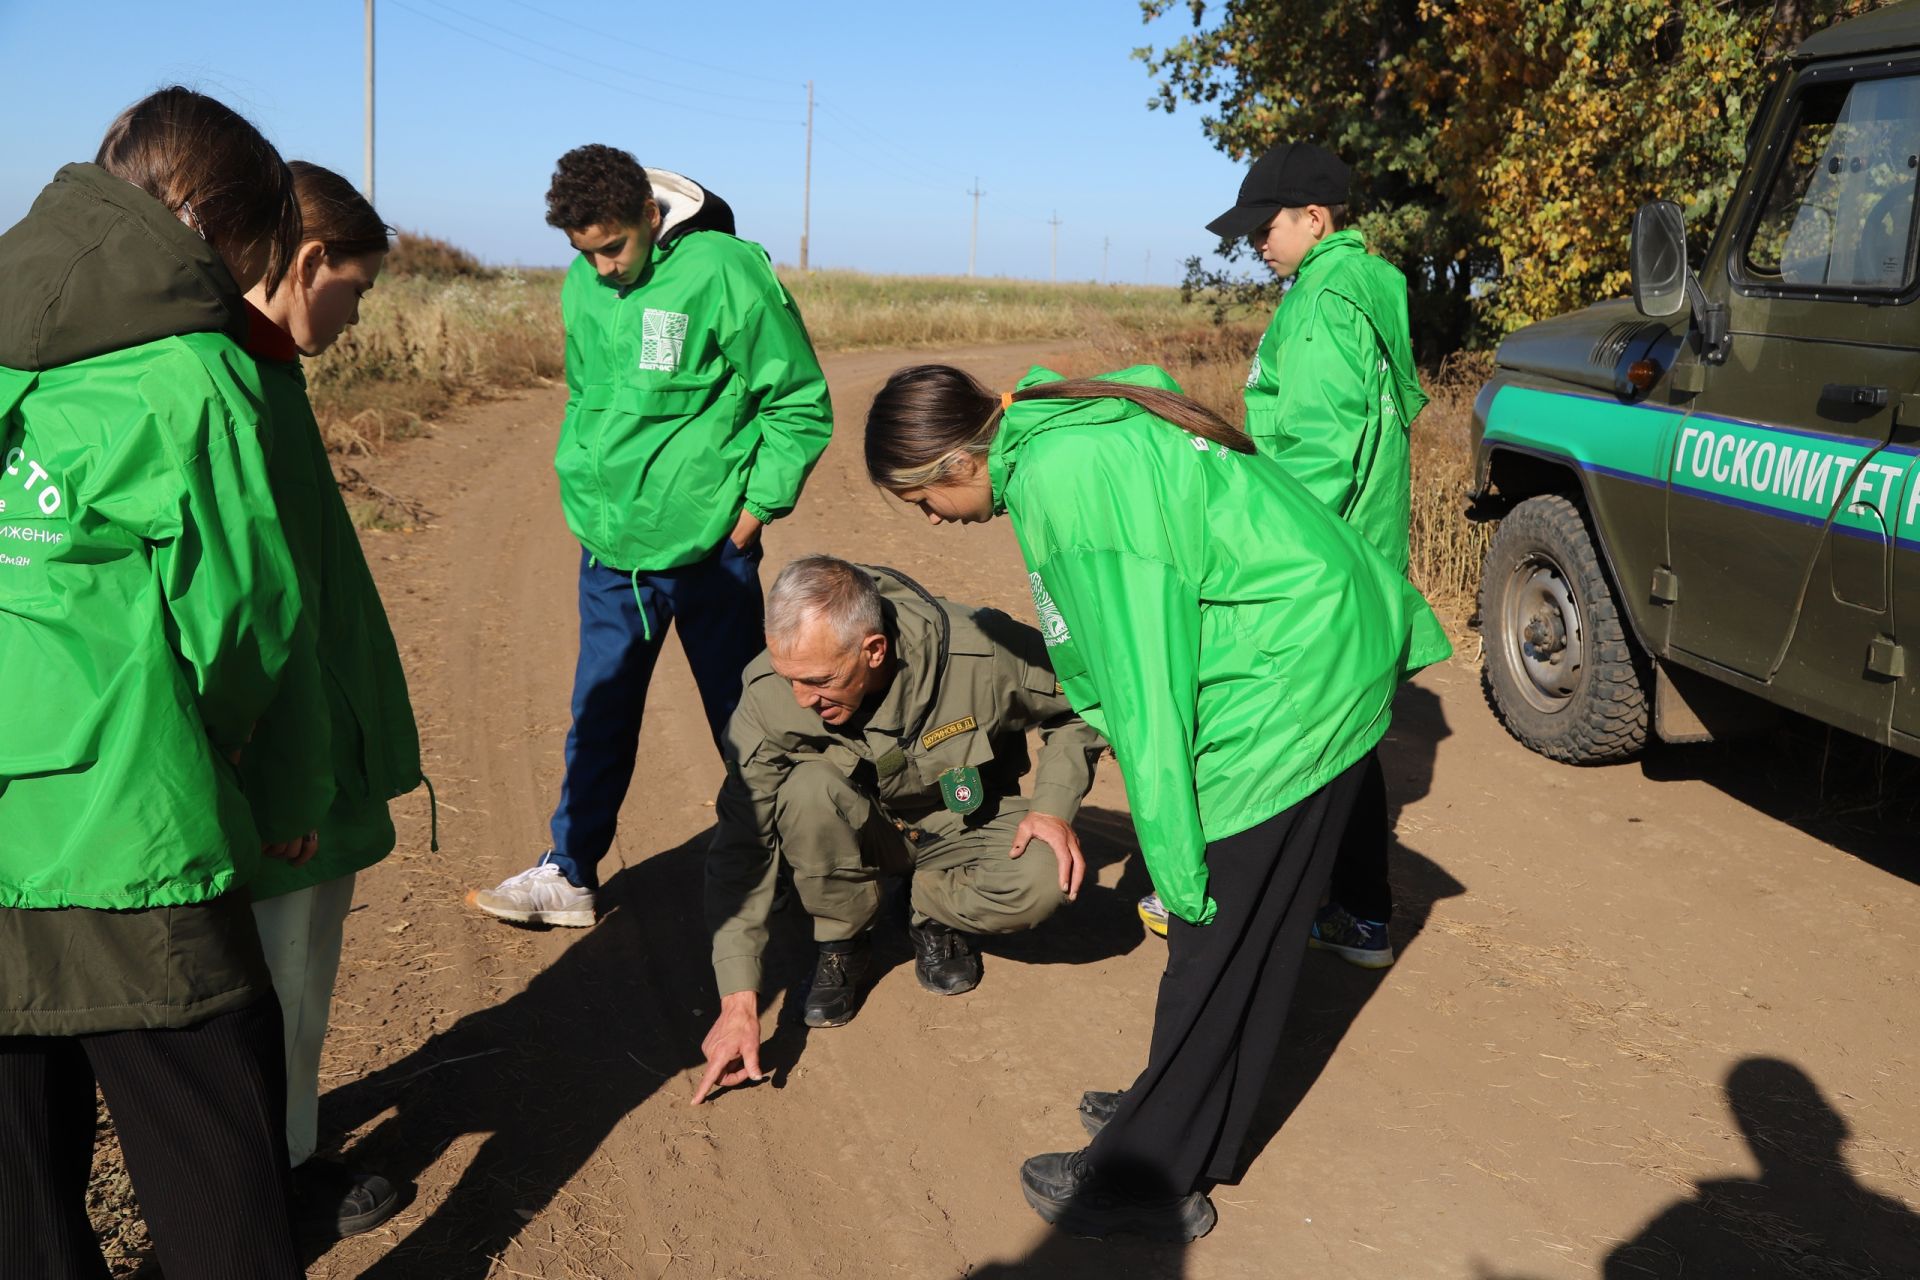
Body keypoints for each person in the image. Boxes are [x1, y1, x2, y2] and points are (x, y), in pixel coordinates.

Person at [863, 362, 1450, 1241]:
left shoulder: (1066, 482)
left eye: (920, 503)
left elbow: (1147, 683)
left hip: (1289, 679)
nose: (930, 524)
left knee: (1211, 939)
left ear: (952, 464)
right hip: (1323, 640)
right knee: (1250, 933)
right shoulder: (1055, 422)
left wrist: (1175, 854)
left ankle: (1154, 1172)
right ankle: (1181, 1115)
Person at [0, 87, 312, 1279]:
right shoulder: (191, 373)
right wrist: (233, 752)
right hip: (125, 826)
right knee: (212, 1151)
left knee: (18, 1169)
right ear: (207, 223)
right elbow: (239, 621)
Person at [470, 145, 833, 928]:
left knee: (749, 721)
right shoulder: (581, 283)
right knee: (598, 711)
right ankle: (568, 872)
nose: (599, 267)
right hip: (611, 552)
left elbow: (798, 402)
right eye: (582, 252)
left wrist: (752, 514)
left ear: (650, 213)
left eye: (612, 247)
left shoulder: (723, 271)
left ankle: (807, 870)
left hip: (708, 553)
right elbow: (586, 399)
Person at [1131, 141, 1432, 970]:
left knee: (1262, 718)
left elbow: (1322, 450)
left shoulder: (1330, 298)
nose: (1255, 242)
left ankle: (1217, 887)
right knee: (1346, 733)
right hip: (1347, 550)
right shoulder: (1349, 288)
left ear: (1315, 217)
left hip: (1315, 552)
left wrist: (1262, 550)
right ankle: (1358, 913)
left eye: (1266, 225)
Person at [693, 556, 1105, 1103]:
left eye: (819, 681)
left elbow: (1083, 703)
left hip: (962, 822)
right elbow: (743, 845)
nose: (802, 700)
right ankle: (843, 937)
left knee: (1044, 874)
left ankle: (931, 910)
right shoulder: (770, 697)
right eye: (791, 678)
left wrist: (1052, 807)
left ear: (874, 650)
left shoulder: (980, 652)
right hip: (860, 829)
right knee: (805, 792)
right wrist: (738, 1001)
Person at [238, 161, 424, 1241]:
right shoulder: (226, 382)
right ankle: (271, 1171)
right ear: (308, 262)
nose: (355, 318)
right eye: (353, 288)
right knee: (273, 975)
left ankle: (288, 1141)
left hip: (306, 748)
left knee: (299, 965)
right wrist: (293, 772)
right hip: (278, 764)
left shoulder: (269, 373)